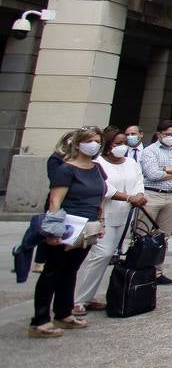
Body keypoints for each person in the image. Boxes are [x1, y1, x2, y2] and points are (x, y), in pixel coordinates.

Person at [31, 127, 107, 338]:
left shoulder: (97, 169)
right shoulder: (65, 169)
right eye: (90, 140)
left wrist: (101, 223)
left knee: (71, 270)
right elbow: (55, 201)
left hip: (87, 225)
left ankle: (64, 313)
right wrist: (53, 231)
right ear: (78, 143)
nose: (94, 144)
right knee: (52, 272)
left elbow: (100, 197)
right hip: (67, 225)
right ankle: (40, 320)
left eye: (97, 140)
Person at [73, 131, 146, 315]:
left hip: (126, 215)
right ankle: (78, 299)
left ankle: (89, 296)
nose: (121, 146)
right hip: (105, 214)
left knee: (111, 257)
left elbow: (139, 181)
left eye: (123, 143)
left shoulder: (131, 162)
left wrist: (139, 195)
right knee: (101, 255)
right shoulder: (98, 163)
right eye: (116, 143)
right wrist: (128, 197)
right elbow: (105, 188)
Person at [136, 120, 172, 285]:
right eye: (167, 134)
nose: (171, 137)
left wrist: (166, 169)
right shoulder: (150, 151)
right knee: (143, 235)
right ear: (159, 134)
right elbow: (153, 174)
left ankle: (157, 272)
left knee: (163, 237)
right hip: (152, 195)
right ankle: (140, 271)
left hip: (171, 196)